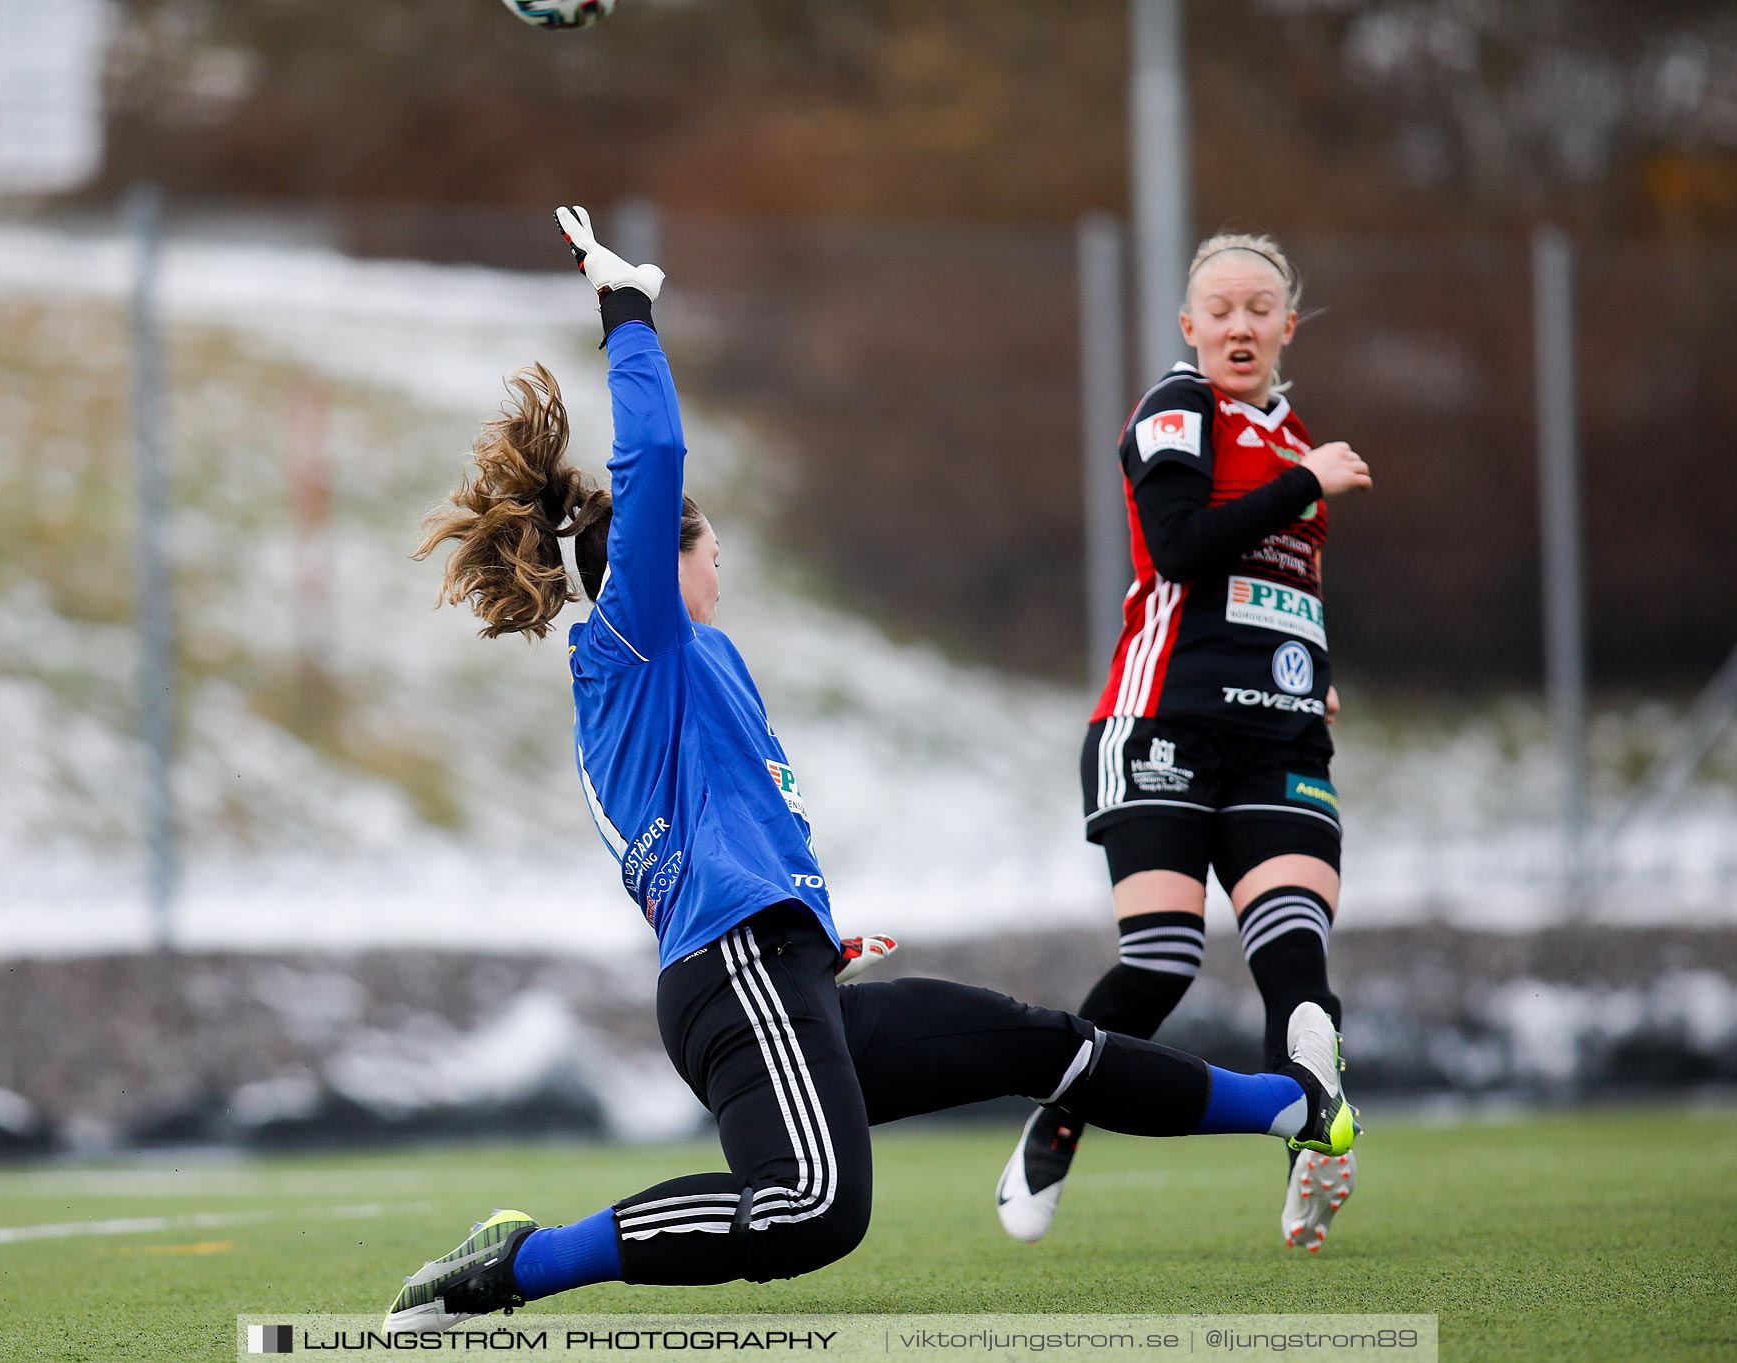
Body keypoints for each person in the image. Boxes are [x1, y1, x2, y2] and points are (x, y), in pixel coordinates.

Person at [383, 209, 1357, 1334]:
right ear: (670, 558)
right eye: (707, 546)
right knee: (815, 1210)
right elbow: (652, 458)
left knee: (1050, 1045)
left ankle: (1299, 1108)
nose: (719, 561)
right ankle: (517, 1265)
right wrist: (629, 309)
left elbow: (720, 830)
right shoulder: (633, 640)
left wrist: (805, 922)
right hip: (737, 975)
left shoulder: (694, 665)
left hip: (776, 972)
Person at [995, 233, 1372, 1255]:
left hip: (1279, 733)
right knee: (1161, 961)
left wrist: (1314, 665)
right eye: (1222, 308)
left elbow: (1281, 583)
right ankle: (1058, 1117)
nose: (1241, 324)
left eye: (1261, 307)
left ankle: (1310, 1148)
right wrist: (1306, 483)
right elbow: (1179, 548)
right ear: (1190, 327)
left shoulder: (1294, 433)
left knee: (1293, 952)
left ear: (1288, 324)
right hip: (1161, 724)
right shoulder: (1179, 409)